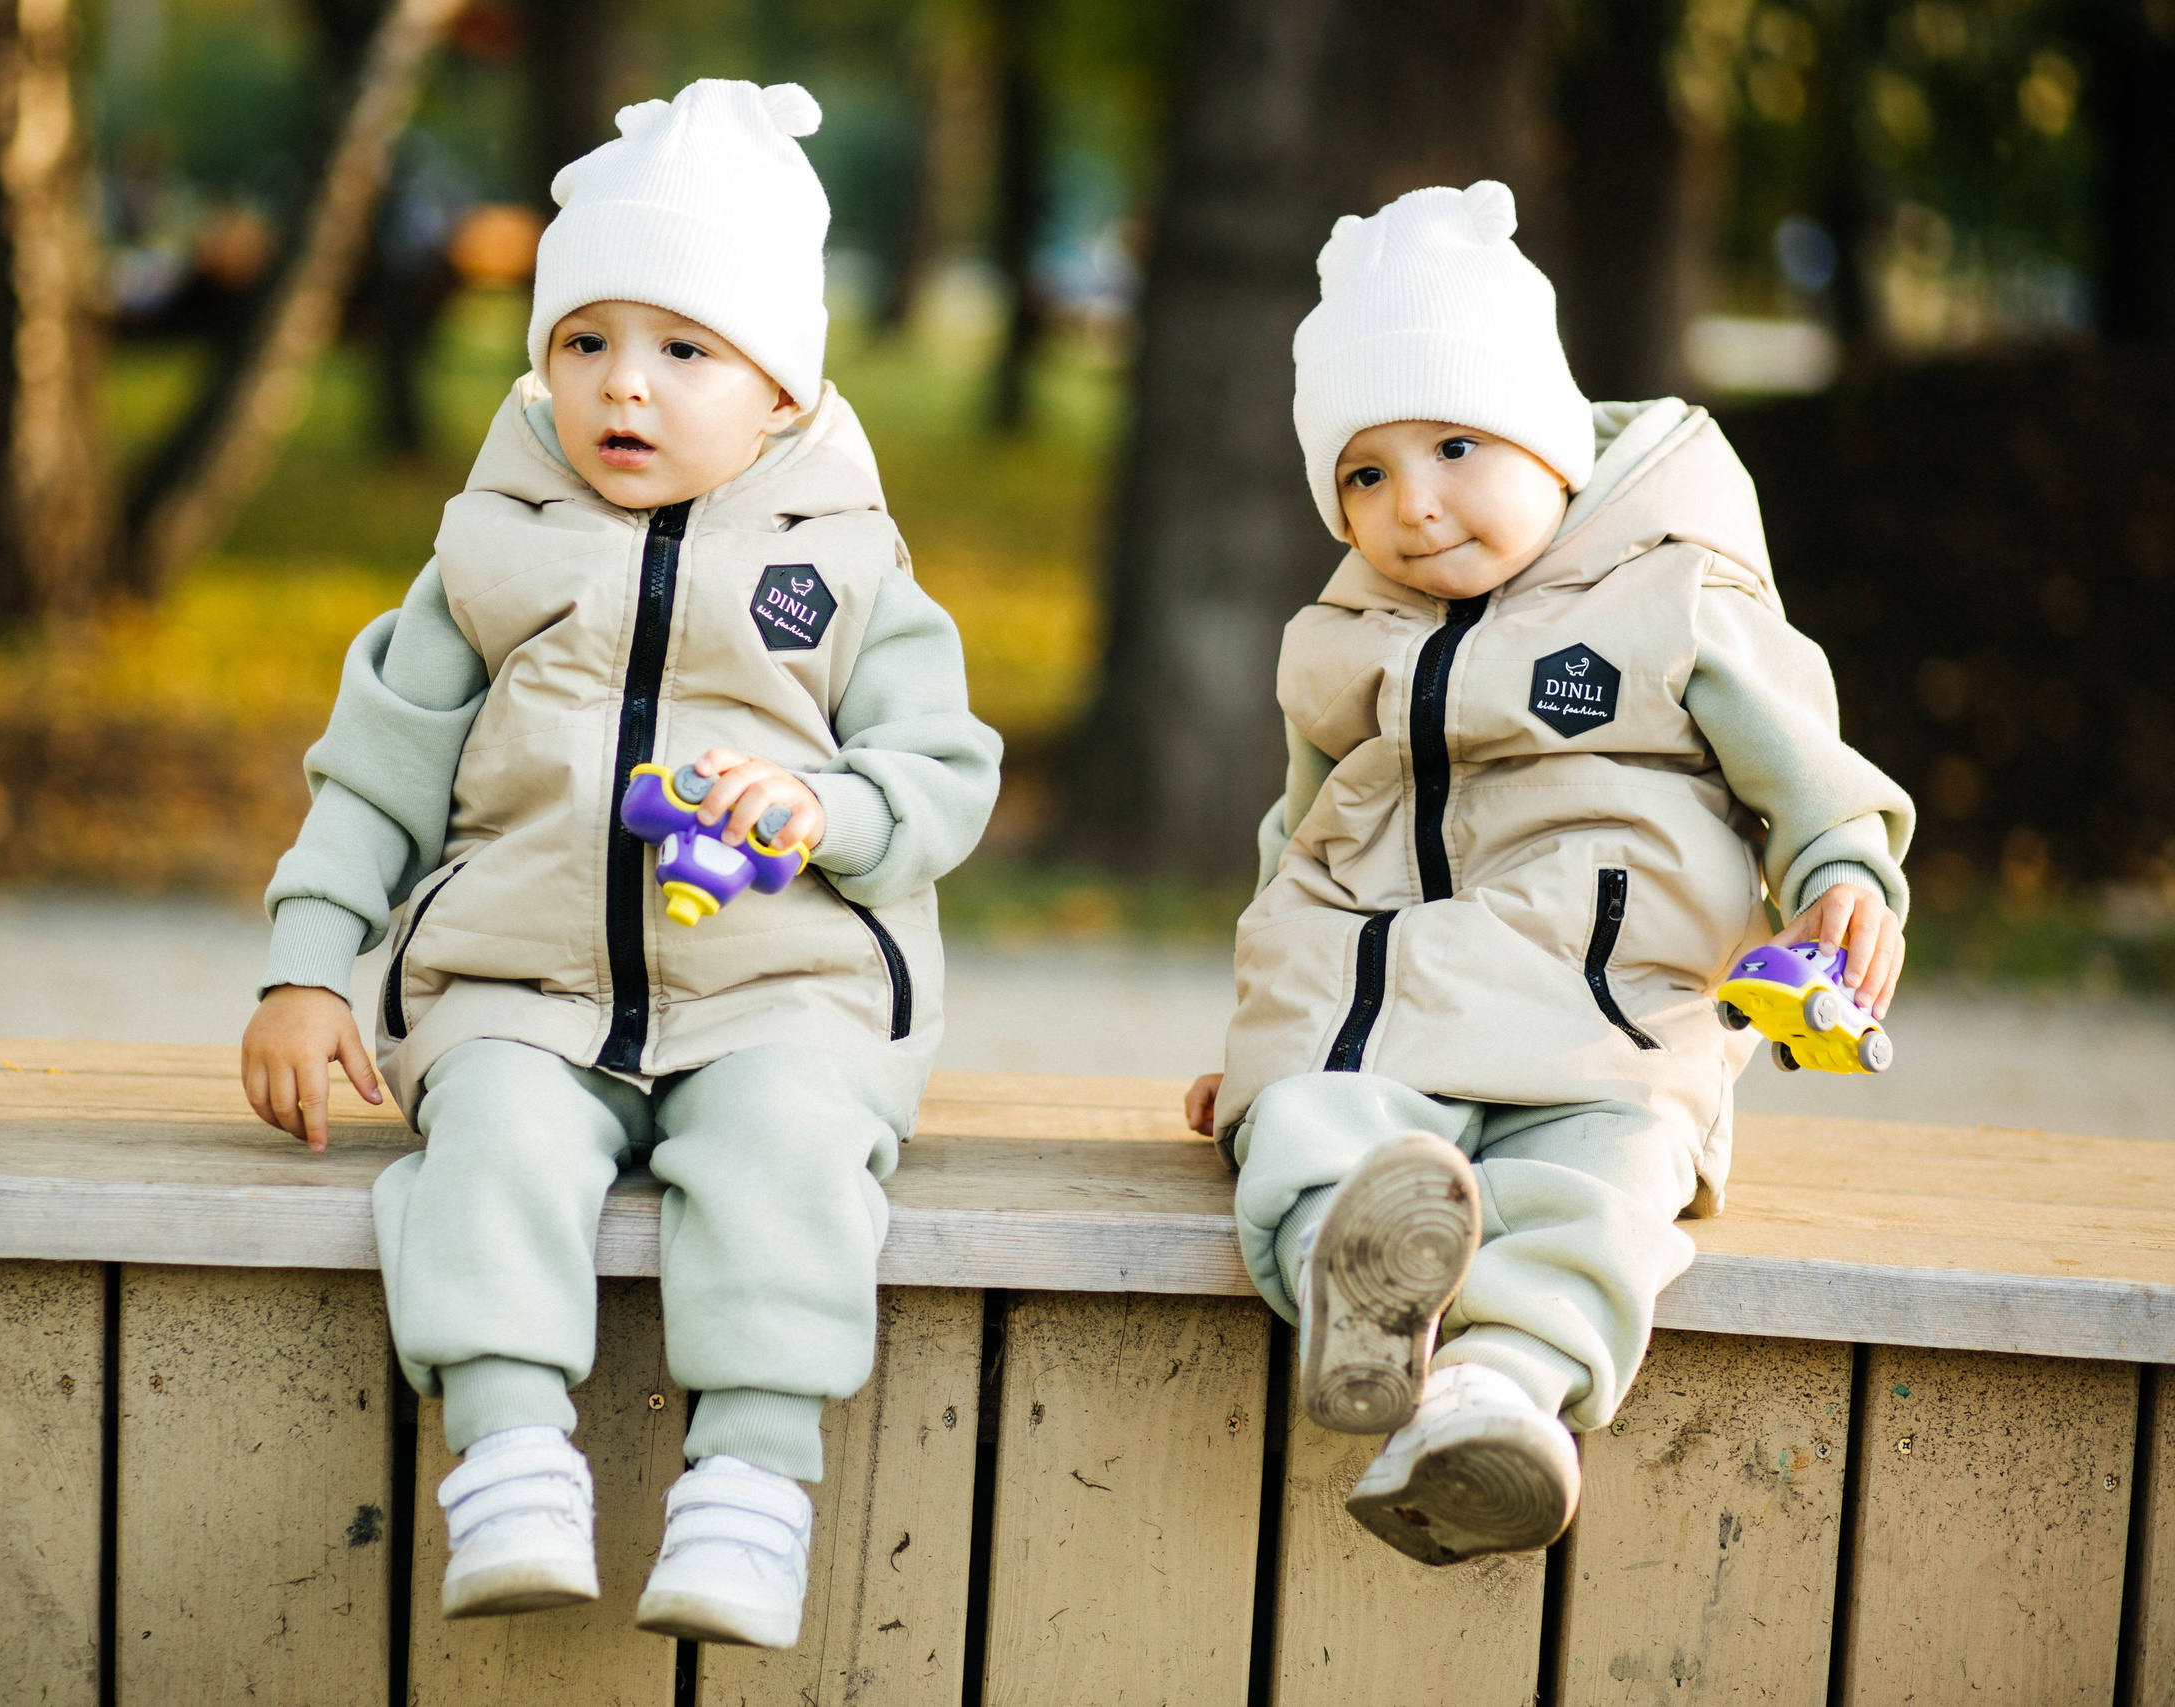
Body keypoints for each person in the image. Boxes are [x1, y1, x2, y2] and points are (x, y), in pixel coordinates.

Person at [237, 79, 1000, 1649]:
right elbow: (373, 771)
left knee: (790, 1157)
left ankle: (752, 1491)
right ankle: (510, 1455)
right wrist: (310, 964)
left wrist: (823, 812)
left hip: (784, 995)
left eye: (682, 349)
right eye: (583, 342)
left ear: (783, 391)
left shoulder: (849, 565)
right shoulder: (488, 553)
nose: (622, 390)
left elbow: (942, 773)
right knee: (491, 1145)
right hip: (520, 982)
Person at [1184, 181, 1912, 1567]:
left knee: (1604, 1178)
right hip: (1371, 1010)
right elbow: (1298, 845)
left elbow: (1805, 767)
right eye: (1364, 473)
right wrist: (1261, 1046)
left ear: (1552, 436)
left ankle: (1502, 1393)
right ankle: (1363, 1299)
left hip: (1605, 1011)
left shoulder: (1673, 591)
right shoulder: (1340, 635)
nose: (1413, 506)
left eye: (1456, 445)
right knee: (1305, 1141)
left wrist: (1846, 875)